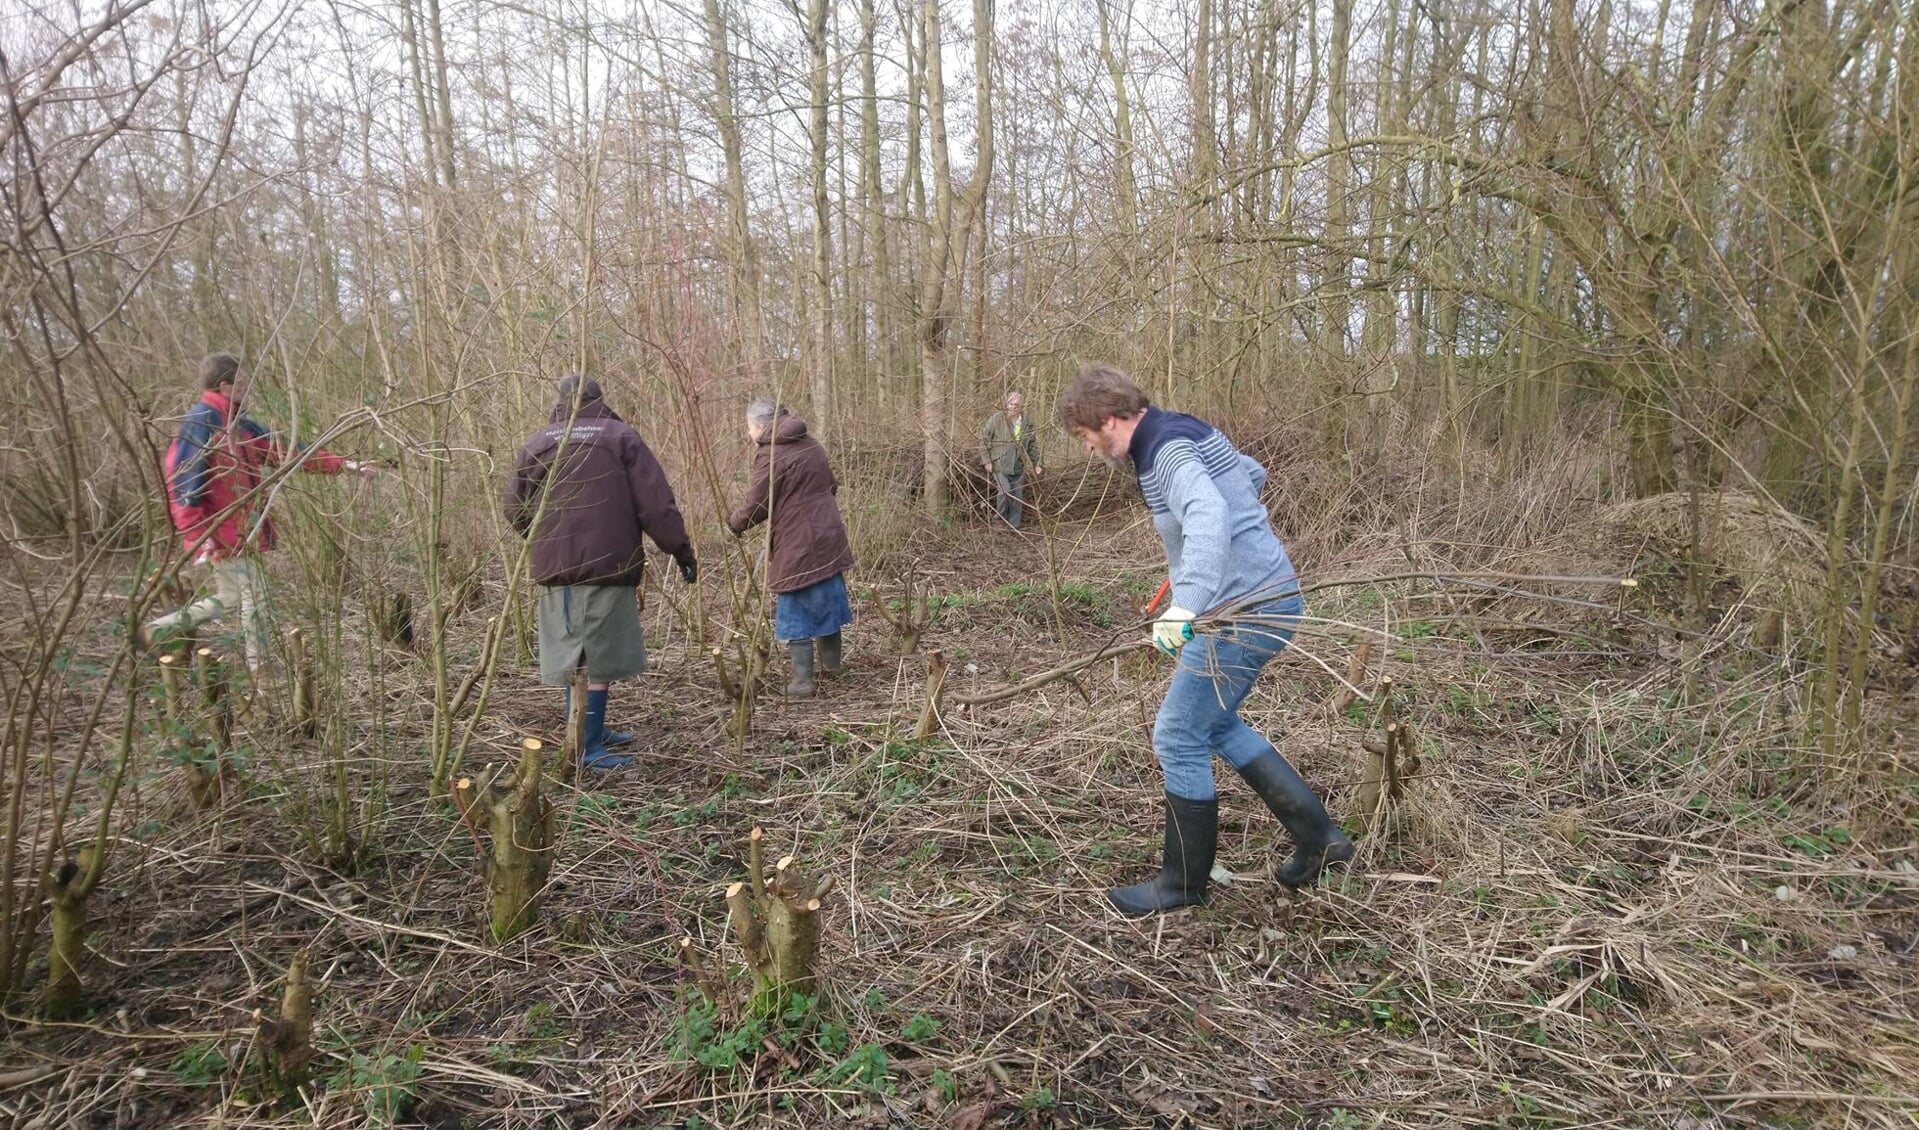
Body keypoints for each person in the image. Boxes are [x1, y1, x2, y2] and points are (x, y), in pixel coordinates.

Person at [1060, 362, 1353, 917]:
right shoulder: (1182, 429)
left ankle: (1182, 884)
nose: (1088, 449)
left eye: (1085, 437)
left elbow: (1209, 510)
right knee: (1213, 723)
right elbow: (1251, 474)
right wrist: (1194, 560)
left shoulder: (1165, 453)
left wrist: (1188, 598)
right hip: (1269, 597)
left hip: (1243, 611)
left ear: (1108, 419)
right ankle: (1321, 839)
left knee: (1177, 736)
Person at [505, 375, 698, 770]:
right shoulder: (620, 437)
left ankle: (590, 730)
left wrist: (543, 537)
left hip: (555, 569)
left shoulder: (539, 442)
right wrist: (679, 550)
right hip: (608, 564)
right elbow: (656, 504)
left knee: (576, 652)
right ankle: (587, 746)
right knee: (595, 658)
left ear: (559, 401)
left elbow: (513, 506)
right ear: (599, 399)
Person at [141, 352, 373, 672]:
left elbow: (285, 452)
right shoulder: (202, 421)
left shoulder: (238, 425)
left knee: (238, 595)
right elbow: (183, 482)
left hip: (240, 530)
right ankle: (257, 670)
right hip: (221, 532)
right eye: (243, 381)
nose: (248, 387)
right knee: (253, 597)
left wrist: (343, 465)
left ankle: (166, 631)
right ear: (226, 386)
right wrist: (199, 536)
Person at [727, 399, 855, 698]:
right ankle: (833, 669)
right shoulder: (811, 443)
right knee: (827, 599)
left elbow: (757, 503)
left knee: (795, 603)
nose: (749, 434)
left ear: (760, 425)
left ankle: (802, 682)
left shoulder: (771, 453)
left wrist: (734, 523)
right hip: (829, 531)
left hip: (798, 540)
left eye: (748, 428)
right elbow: (831, 485)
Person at [979, 390, 1043, 529]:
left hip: (1018, 466)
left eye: (1017, 405)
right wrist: (987, 461)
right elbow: (984, 440)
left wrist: (1037, 463)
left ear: (1022, 406)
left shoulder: (1027, 422)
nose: (1013, 407)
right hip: (999, 464)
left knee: (1017, 496)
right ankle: (999, 519)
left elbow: (1032, 444)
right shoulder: (997, 419)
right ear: (1007, 404)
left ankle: (1015, 526)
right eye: (1011, 404)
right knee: (1005, 491)